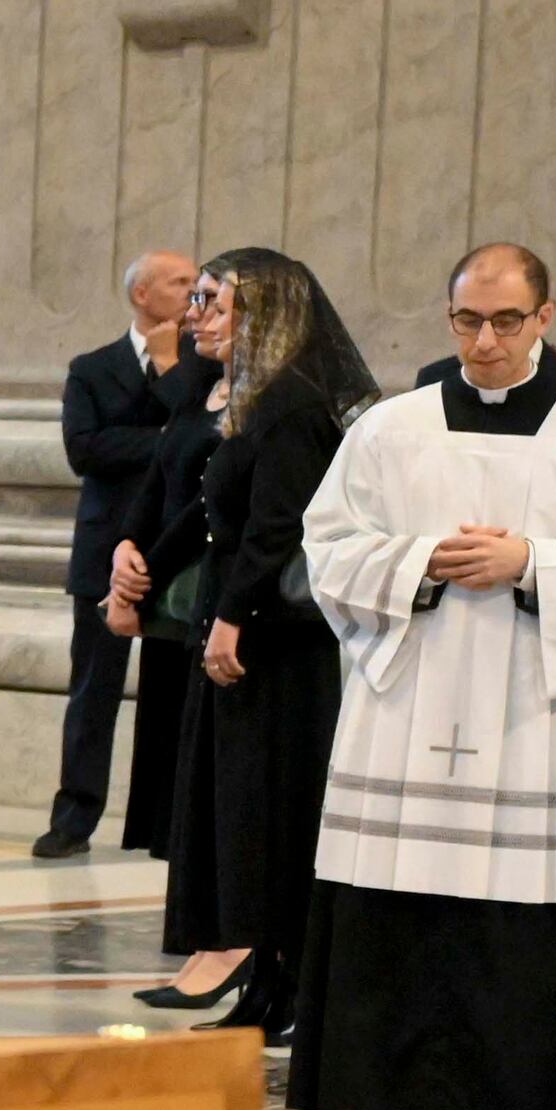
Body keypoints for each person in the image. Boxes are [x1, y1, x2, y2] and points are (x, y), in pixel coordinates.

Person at [273, 244, 556, 1110]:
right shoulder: (391, 429)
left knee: (523, 898)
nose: (485, 341)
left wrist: (531, 562)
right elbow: (328, 544)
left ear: (544, 321)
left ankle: (530, 1098)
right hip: (410, 700)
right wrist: (421, 561)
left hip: (535, 708)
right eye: (467, 320)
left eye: (506, 321)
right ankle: (380, 1085)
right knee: (399, 891)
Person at [188, 247, 381, 1042]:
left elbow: (277, 528)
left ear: (264, 312)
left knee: (280, 814)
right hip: (246, 628)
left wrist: (232, 616)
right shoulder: (257, 398)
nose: (198, 314)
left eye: (215, 301)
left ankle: (299, 986)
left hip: (278, 641)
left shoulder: (293, 405)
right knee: (245, 819)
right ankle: (264, 983)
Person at [116, 261, 242, 1002]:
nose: (196, 315)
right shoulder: (199, 380)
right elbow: (164, 473)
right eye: (194, 300)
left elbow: (209, 503)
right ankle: (189, 922)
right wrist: (124, 555)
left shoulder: (265, 399)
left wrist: (147, 571)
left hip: (209, 595)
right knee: (172, 768)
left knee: (207, 770)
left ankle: (220, 933)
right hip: (170, 602)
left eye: (212, 302)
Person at [47, 251, 198, 856]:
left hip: (179, 550)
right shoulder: (92, 368)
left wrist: (169, 370)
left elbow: (205, 437)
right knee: (93, 691)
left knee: (175, 696)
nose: (193, 292)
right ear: (142, 294)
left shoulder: (202, 365)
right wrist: (166, 438)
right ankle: (73, 818)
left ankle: (171, 821)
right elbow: (85, 450)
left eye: (196, 283)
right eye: (180, 282)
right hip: (105, 550)